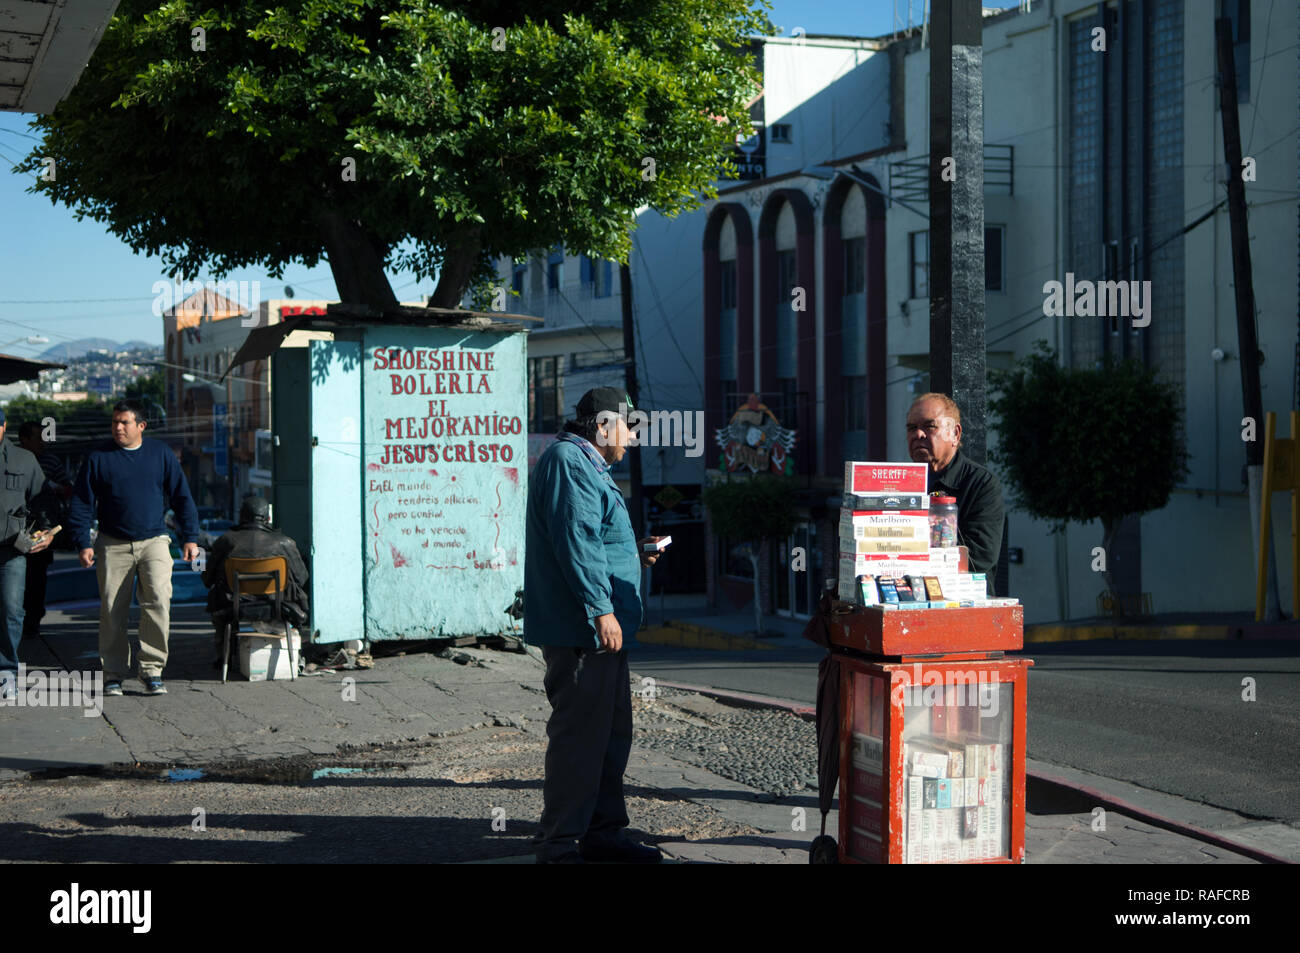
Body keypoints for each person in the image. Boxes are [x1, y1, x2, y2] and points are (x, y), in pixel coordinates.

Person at [525, 386, 665, 864]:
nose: (632, 437)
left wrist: (636, 555)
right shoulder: (570, 461)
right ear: (604, 426)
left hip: (598, 628)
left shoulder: (587, 465)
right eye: (629, 426)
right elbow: (576, 541)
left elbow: (593, 540)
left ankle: (604, 833)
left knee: (608, 738)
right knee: (580, 740)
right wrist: (601, 609)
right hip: (582, 631)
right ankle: (559, 845)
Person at [68, 399, 200, 697]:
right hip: (112, 543)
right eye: (114, 422)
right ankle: (113, 673)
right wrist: (82, 542)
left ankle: (151, 670)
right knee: (112, 610)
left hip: (154, 540)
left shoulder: (160, 454)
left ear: (141, 426)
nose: (117, 428)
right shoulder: (98, 457)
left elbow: (182, 497)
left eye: (124, 422)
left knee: (159, 602)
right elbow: (82, 503)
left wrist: (190, 537)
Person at [906, 392, 1006, 582]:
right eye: (912, 428)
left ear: (955, 433)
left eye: (929, 426)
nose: (918, 434)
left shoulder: (981, 484)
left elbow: (980, 557)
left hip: (961, 602)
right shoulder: (899, 484)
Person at [202, 494, 309, 667]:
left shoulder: (225, 541)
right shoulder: (285, 543)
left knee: (220, 603)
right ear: (268, 518)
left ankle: (224, 658)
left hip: (234, 606)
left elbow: (207, 579)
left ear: (241, 517)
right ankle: (296, 658)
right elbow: (302, 578)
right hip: (278, 606)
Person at [0, 410, 53, 701]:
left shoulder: (24, 460)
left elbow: (43, 498)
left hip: (12, 551)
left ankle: (6, 671)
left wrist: (46, 530)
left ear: (4, 426)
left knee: (10, 611)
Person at [18, 420, 70, 640]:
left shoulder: (51, 461)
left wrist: (54, 488)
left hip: (41, 531)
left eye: (44, 437)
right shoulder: (13, 460)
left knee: (37, 580)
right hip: (15, 530)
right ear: (24, 440)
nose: (42, 443)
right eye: (37, 438)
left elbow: (68, 489)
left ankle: (32, 621)